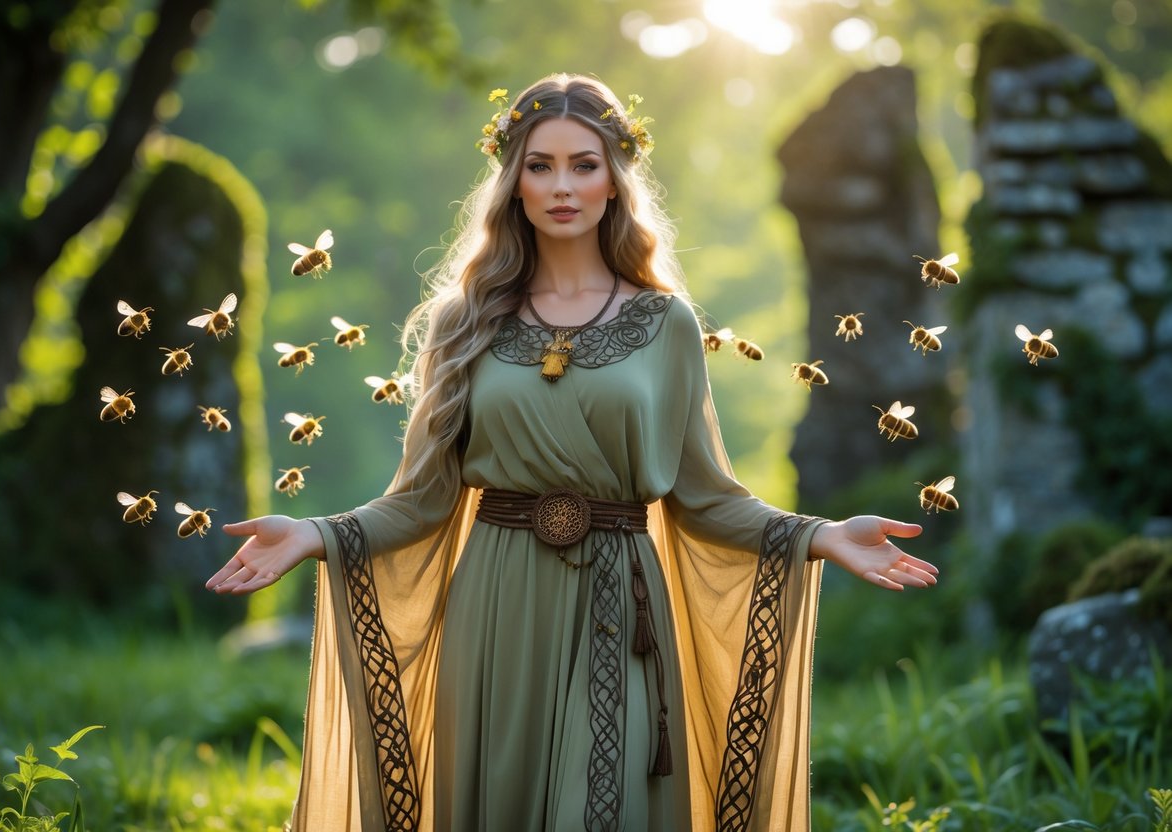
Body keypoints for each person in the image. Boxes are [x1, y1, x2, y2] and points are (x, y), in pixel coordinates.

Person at [206, 73, 938, 832]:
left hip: (619, 603)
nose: (562, 185)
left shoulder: (665, 325)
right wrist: (314, 535)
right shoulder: (465, 323)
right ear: (512, 183)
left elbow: (704, 495)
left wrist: (821, 536)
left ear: (616, 182)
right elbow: (421, 499)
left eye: (584, 164)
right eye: (540, 164)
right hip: (496, 607)